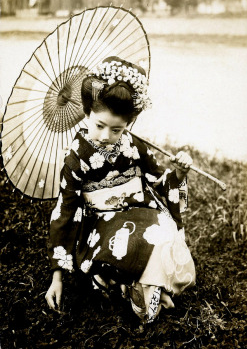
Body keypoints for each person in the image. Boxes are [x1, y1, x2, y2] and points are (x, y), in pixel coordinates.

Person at [45, 56, 196, 323]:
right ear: (87, 113)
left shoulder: (134, 145)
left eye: (117, 129)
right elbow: (65, 210)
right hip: (101, 223)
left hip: (141, 212)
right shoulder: (75, 157)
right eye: (99, 125)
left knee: (162, 229)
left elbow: (161, 183)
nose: (105, 136)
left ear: (128, 123)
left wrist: (179, 172)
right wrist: (57, 277)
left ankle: (137, 286)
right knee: (125, 245)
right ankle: (143, 287)